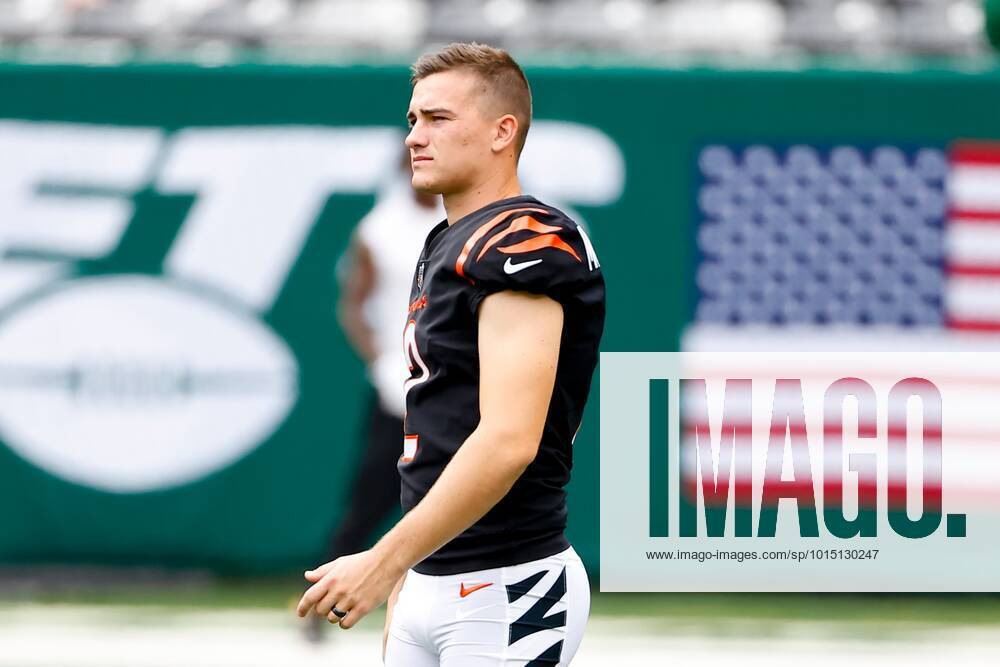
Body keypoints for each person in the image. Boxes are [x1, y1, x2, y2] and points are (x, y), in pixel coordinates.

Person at [296, 42, 605, 666]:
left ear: (502, 131)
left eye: (438, 119)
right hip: (435, 580)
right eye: (413, 119)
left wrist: (386, 560)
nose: (415, 136)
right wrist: (414, 568)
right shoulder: (446, 240)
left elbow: (509, 439)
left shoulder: (523, 240)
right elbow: (445, 427)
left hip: (507, 583)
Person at [305, 153, 443, 642]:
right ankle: (319, 603)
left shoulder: (469, 220)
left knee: (459, 498)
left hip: (455, 393)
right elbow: (354, 304)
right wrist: (382, 361)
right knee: (367, 502)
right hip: (396, 392)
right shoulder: (379, 228)